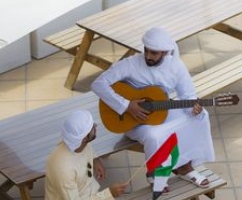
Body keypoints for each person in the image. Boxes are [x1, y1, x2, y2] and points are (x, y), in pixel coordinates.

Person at [91, 27, 215, 190]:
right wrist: (127, 105)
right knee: (154, 135)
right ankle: (155, 174)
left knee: (201, 116)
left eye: (154, 53)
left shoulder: (176, 66)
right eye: (146, 51)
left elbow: (188, 96)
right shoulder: (131, 64)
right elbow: (97, 84)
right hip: (132, 122)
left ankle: (184, 166)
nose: (148, 56)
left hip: (160, 112)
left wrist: (194, 109)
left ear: (164, 52)